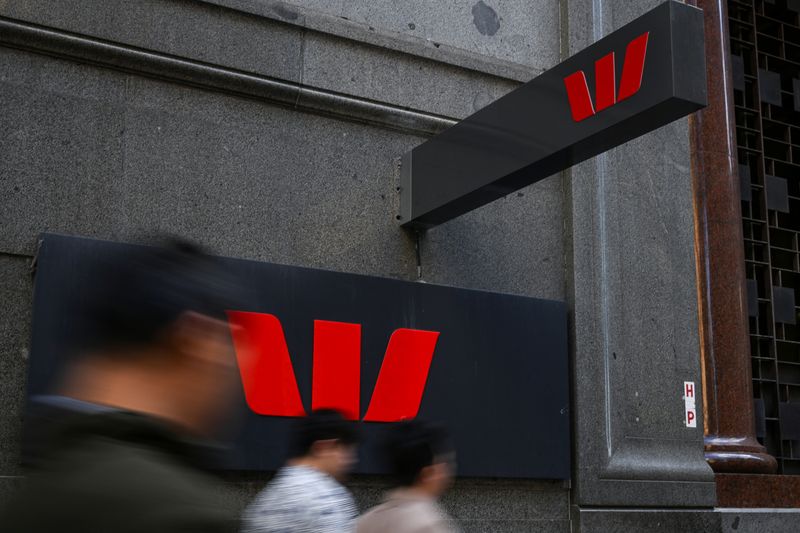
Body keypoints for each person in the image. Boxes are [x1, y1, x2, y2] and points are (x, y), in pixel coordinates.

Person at [1, 238, 244, 532]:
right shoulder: (178, 513)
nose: (233, 380)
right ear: (196, 341)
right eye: (231, 348)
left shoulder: (38, 493)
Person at [241, 409, 359, 533]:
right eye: (346, 451)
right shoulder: (327, 498)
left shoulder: (265, 499)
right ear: (324, 447)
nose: (351, 460)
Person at [357, 421, 458, 533]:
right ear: (428, 473)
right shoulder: (429, 525)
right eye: (443, 462)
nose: (447, 470)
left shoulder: (367, 521)